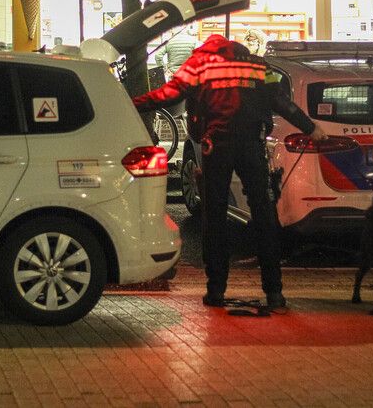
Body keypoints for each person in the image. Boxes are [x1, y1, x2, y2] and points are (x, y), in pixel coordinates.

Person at [133, 34, 327, 310]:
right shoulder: (257, 65)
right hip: (252, 146)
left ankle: (215, 292)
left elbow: (170, 93)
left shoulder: (201, 62)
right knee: (263, 214)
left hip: (216, 146)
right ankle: (274, 293)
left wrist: (135, 102)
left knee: (214, 217)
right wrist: (310, 128)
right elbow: (282, 102)